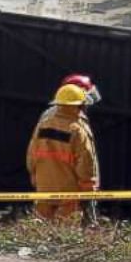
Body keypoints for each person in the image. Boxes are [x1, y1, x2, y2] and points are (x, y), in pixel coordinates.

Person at [26, 83, 99, 223]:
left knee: (41, 228)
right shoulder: (78, 130)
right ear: (79, 105)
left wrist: (34, 174)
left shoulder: (43, 124)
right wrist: (88, 189)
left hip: (44, 188)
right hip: (69, 191)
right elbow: (86, 163)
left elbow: (31, 154)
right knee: (65, 235)